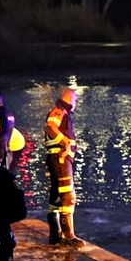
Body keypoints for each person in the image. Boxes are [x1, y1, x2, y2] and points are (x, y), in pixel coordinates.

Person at [44, 87, 85, 246]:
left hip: (58, 158)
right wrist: (66, 142)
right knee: (68, 196)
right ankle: (68, 236)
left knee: (56, 196)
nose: (75, 103)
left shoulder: (61, 112)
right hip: (61, 158)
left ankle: (55, 234)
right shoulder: (59, 111)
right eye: (74, 99)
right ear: (68, 98)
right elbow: (50, 127)